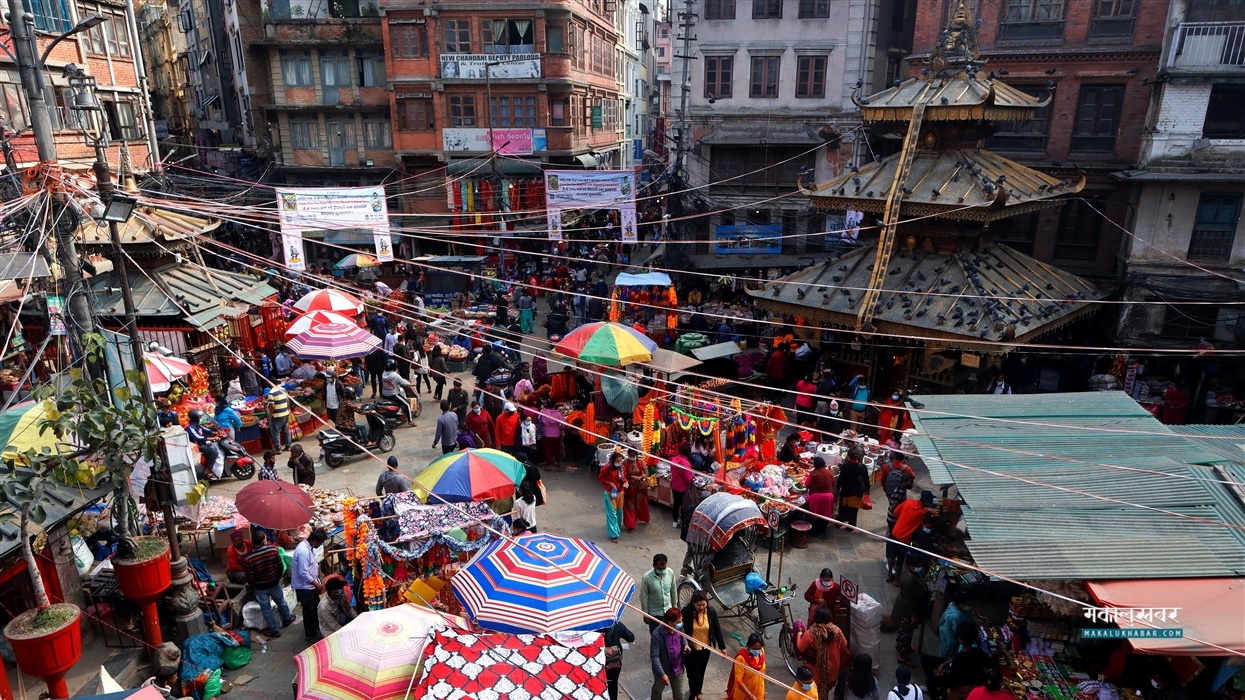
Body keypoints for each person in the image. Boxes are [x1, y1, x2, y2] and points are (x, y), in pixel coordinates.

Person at [922, 590, 974, 698]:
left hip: (954, 673)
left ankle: (938, 688)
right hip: (949, 644)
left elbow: (954, 664)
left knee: (933, 679)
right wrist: (944, 665)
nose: (969, 606)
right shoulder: (955, 617)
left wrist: (945, 666)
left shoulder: (963, 654)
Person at [244, 530, 294, 637]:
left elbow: (250, 577)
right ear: (264, 540)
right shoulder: (273, 550)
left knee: (266, 609)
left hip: (260, 587)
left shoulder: (249, 559)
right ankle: (287, 618)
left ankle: (274, 630)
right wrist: (277, 577)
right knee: (281, 601)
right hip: (274, 583)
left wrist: (254, 585)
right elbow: (280, 566)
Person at [682, 591, 726, 700]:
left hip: (706, 648)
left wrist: (722, 647)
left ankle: (698, 691)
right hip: (691, 649)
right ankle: (693, 694)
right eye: (699, 605)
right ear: (693, 603)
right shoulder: (686, 612)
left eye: (703, 604)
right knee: (693, 673)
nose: (701, 607)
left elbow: (717, 630)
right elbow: (680, 629)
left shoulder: (711, 612)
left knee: (701, 671)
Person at [798, 605, 849, 700]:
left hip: (815, 672)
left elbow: (800, 648)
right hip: (832, 670)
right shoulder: (836, 630)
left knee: (814, 691)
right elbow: (844, 645)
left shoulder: (810, 633)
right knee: (827, 688)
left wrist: (799, 634)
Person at [933, 622, 991, 700]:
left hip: (961, 686)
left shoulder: (959, 658)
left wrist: (945, 673)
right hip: (970, 681)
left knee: (931, 682)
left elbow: (954, 679)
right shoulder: (978, 652)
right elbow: (989, 663)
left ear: (961, 640)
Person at [891, 554, 931, 667]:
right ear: (911, 566)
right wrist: (913, 615)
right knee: (906, 632)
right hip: (907, 609)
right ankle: (903, 656)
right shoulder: (909, 580)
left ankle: (902, 646)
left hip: (908, 605)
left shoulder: (911, 574)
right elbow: (909, 601)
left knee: (905, 630)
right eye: (917, 566)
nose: (919, 567)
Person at [888, 491, 936, 584]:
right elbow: (928, 517)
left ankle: (889, 575)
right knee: (900, 560)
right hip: (905, 539)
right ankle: (897, 580)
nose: (930, 504)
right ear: (926, 501)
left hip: (895, 532)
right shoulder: (923, 513)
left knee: (892, 556)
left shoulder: (908, 501)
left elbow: (896, 511)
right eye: (929, 502)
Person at [293, 528, 327, 643]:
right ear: (316, 541)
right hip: (304, 587)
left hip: (310, 585)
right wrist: (316, 584)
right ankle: (310, 634)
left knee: (315, 608)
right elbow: (303, 572)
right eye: (320, 542)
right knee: (308, 611)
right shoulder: (304, 551)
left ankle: (315, 628)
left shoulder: (307, 547)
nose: (320, 545)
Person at [650, 608, 690, 700]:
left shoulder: (679, 628)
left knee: (679, 695)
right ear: (670, 623)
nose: (681, 623)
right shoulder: (657, 635)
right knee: (657, 692)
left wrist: (685, 645)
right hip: (663, 671)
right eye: (678, 622)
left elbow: (683, 636)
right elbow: (655, 656)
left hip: (678, 669)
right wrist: (662, 674)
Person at [638, 553, 677, 633]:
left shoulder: (670, 573)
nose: (662, 570)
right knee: (656, 636)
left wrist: (675, 607)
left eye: (664, 568)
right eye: (660, 568)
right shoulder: (646, 578)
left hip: (668, 610)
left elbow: (673, 591)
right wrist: (645, 614)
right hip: (654, 613)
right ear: (654, 565)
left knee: (670, 634)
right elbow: (643, 597)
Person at [599, 619, 636, 700]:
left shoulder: (591, 629)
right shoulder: (617, 625)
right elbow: (631, 638)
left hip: (598, 661)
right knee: (612, 684)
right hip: (614, 662)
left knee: (599, 684)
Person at [836, 445, 870, 529]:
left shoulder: (845, 467)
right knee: (854, 509)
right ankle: (851, 525)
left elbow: (841, 479)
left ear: (849, 456)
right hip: (857, 492)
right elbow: (866, 479)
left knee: (843, 507)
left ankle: (840, 521)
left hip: (846, 491)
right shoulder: (863, 467)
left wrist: (837, 488)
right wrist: (867, 489)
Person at [727, 633, 767, 700]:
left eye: (759, 648)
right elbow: (739, 681)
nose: (757, 651)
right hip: (744, 694)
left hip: (759, 692)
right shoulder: (741, 659)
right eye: (754, 649)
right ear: (748, 646)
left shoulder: (761, 652)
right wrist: (750, 696)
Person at [186, 410, 223, 478]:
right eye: (199, 417)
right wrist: (212, 438)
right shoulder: (190, 428)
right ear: (195, 418)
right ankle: (208, 470)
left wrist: (215, 432)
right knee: (214, 452)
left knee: (216, 446)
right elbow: (199, 438)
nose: (200, 419)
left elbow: (206, 430)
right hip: (198, 447)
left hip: (203, 443)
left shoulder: (197, 425)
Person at [599, 452, 626, 543]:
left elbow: (624, 478)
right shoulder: (606, 468)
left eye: (620, 461)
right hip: (610, 493)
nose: (619, 462)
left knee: (619, 512)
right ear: (613, 460)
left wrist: (626, 482)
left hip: (620, 492)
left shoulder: (622, 468)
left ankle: (617, 527)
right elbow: (600, 478)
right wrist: (609, 483)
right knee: (612, 514)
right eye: (618, 461)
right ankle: (614, 534)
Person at [806, 456, 836, 536]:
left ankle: (814, 531)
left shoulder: (813, 473)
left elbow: (807, 485)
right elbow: (833, 484)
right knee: (825, 513)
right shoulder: (829, 472)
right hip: (828, 496)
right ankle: (822, 530)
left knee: (814, 514)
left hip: (816, 497)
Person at [623, 448, 650, 531]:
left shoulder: (641, 462)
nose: (631, 457)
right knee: (629, 505)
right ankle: (631, 524)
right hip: (629, 486)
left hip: (639, 487)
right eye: (630, 455)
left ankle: (639, 517)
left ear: (636, 455)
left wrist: (640, 477)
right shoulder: (625, 462)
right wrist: (631, 477)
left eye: (633, 455)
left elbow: (646, 473)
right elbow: (622, 474)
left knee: (639, 502)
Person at [670, 445, 694, 529]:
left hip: (674, 486)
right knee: (684, 505)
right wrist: (692, 476)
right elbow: (688, 479)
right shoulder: (685, 463)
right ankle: (684, 522)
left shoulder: (673, 460)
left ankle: (675, 521)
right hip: (683, 488)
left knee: (676, 504)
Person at [538, 399, 564, 468]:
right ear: (555, 405)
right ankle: (558, 462)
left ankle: (548, 465)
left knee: (547, 450)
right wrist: (560, 429)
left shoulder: (543, 413)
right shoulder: (558, 414)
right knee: (557, 448)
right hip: (556, 434)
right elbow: (562, 424)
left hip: (546, 434)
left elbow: (539, 419)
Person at [265, 386, 291, 453]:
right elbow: (288, 400)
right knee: (286, 431)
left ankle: (278, 449)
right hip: (285, 413)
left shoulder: (271, 393)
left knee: (275, 432)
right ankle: (288, 446)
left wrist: (270, 414)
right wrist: (288, 409)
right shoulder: (283, 389)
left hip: (277, 415)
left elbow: (272, 406)